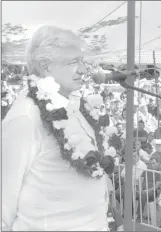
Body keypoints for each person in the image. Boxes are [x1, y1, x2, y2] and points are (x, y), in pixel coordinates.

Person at [2, 26, 110, 230]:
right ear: (45, 66)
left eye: (81, 61)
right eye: (72, 62)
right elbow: (3, 204)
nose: (83, 70)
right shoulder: (25, 116)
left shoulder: (78, 107)